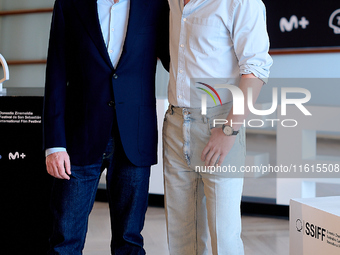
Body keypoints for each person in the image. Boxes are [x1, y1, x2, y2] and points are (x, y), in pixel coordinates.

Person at [43, 0, 169, 254]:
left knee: (130, 241)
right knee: (64, 241)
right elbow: (56, 73)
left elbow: (177, 58)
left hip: (134, 137)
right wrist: (54, 144)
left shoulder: (155, 5)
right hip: (78, 139)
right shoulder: (69, 4)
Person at [163, 0, 273, 254]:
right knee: (180, 238)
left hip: (220, 124)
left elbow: (256, 69)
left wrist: (229, 130)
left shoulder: (242, 2)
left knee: (224, 239)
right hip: (176, 123)